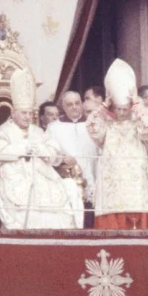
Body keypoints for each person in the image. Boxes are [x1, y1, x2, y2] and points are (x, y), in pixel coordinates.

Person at [0, 68, 83, 229]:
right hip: (16, 176)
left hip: (43, 175)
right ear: (13, 112)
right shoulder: (4, 131)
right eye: (23, 113)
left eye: (30, 113)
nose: (27, 117)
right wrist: (22, 148)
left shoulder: (38, 132)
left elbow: (54, 151)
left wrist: (42, 151)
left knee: (58, 200)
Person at [87, 58, 148, 230]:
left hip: (136, 177)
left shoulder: (138, 121)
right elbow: (92, 129)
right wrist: (104, 106)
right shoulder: (108, 125)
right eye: (117, 109)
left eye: (125, 109)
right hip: (112, 178)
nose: (121, 113)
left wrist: (137, 105)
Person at [48, 90, 97, 223]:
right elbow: (49, 150)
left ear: (82, 104)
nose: (74, 107)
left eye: (77, 103)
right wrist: (61, 158)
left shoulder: (93, 125)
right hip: (67, 176)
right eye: (69, 104)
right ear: (63, 107)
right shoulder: (54, 128)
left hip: (92, 172)